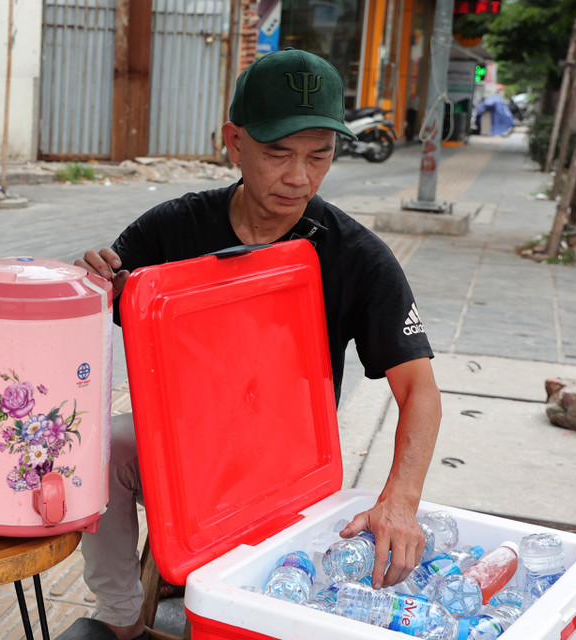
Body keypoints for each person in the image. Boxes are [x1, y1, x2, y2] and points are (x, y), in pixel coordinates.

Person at [60, 49, 442, 640]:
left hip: (283, 466)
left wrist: (400, 499)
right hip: (184, 446)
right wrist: (86, 286)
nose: (299, 177)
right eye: (278, 154)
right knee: (102, 446)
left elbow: (419, 389)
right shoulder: (173, 227)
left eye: (320, 156)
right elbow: (102, 304)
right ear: (234, 143)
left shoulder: (357, 256)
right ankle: (121, 622)